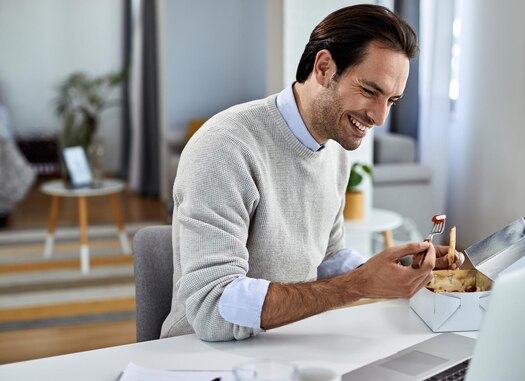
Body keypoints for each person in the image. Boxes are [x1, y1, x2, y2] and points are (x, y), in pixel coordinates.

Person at [161, 4, 464, 342]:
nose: (380, 118)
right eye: (370, 91)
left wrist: (398, 272)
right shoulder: (225, 147)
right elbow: (213, 309)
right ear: (323, 68)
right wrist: (358, 285)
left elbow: (328, 258)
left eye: (391, 100)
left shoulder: (333, 149)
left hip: (285, 345)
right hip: (199, 358)